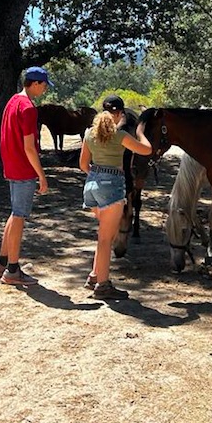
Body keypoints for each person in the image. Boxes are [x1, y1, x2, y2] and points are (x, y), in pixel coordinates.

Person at [78, 95, 152, 299]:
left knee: (104, 235)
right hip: (112, 186)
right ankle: (103, 285)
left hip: (91, 186)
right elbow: (147, 150)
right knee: (105, 238)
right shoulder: (120, 136)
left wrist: (97, 174)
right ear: (120, 114)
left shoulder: (89, 134)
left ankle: (95, 275)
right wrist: (140, 132)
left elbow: (83, 165)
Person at [0, 66, 52, 285]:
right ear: (35, 83)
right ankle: (13, 271)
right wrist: (41, 175)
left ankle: (2, 263)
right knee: (19, 217)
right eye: (44, 85)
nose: (44, 89)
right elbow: (29, 147)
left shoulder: (12, 101)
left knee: (14, 214)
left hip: (11, 166)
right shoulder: (28, 108)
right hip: (23, 168)